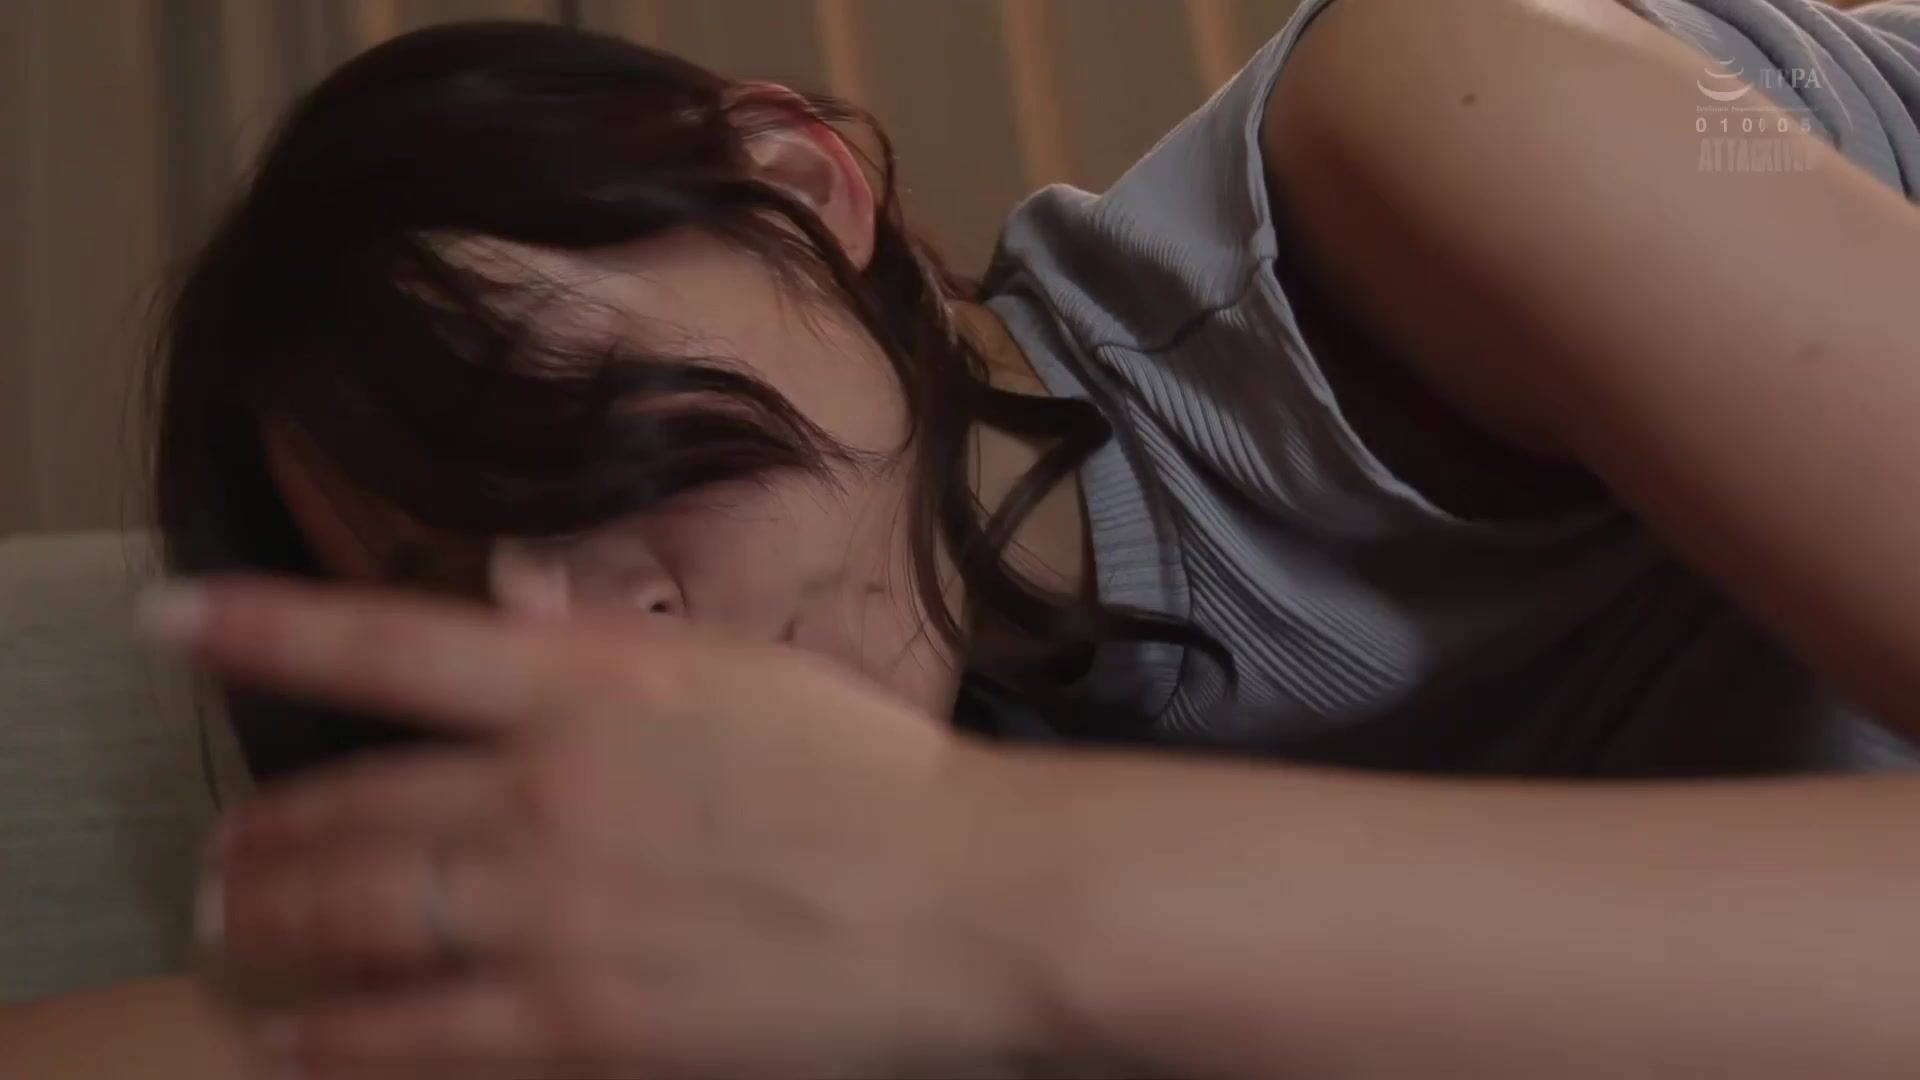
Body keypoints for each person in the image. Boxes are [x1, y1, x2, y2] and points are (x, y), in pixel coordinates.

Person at [13, 0, 1920, 1075]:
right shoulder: (871, 816)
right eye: (453, 591)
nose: (584, 631)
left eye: (575, 435)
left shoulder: (1433, 103)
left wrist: (994, 888)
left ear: (800, 181)